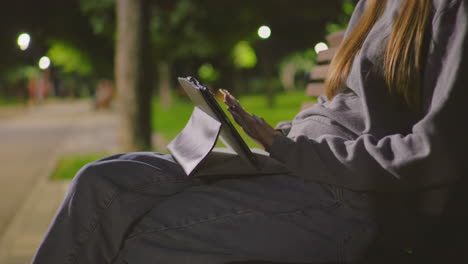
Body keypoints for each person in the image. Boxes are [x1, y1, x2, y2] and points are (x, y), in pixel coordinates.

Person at [32, 0, 467, 263]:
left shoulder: (449, 10)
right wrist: (270, 136)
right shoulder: (374, 5)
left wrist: (289, 149)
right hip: (291, 165)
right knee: (100, 181)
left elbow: (434, 151)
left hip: (348, 196)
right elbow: (338, 107)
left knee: (133, 241)